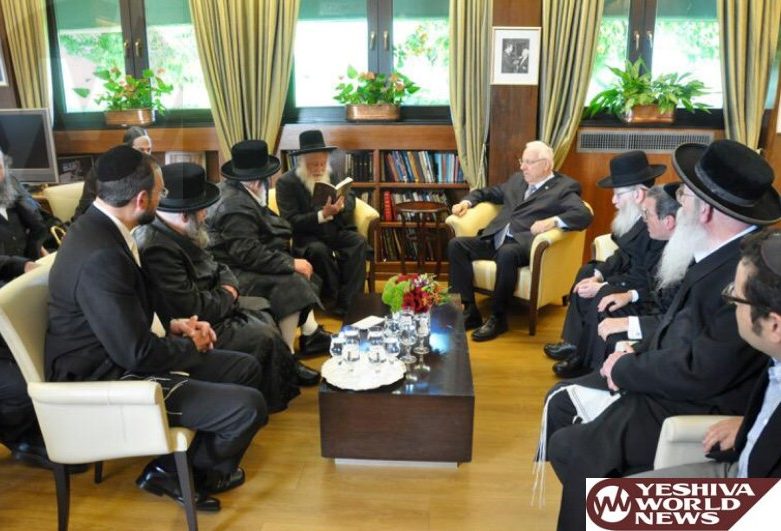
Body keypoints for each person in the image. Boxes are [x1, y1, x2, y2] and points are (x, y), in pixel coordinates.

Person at [542, 139, 781, 531]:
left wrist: (627, 369)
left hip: (698, 404)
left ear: (704, 210)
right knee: (567, 430)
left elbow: (702, 369)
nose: (678, 204)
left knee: (575, 450)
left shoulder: (746, 272)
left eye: (685, 196)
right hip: (674, 382)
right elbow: (677, 326)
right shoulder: (720, 252)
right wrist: (634, 351)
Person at [45, 145, 267, 512]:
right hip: (105, 381)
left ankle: (186, 463)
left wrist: (177, 325)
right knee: (247, 408)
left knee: (245, 366)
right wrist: (191, 346)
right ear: (142, 199)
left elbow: (131, 308)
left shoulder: (105, 226)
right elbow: (134, 353)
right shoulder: (100, 254)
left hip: (120, 356)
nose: (164, 199)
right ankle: (173, 471)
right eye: (161, 193)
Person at [135, 163, 317, 413]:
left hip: (215, 299)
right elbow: (189, 307)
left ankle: (277, 378)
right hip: (197, 322)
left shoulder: (180, 229)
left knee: (265, 309)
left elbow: (218, 266)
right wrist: (228, 293)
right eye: (202, 212)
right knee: (263, 334)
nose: (206, 216)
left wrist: (228, 286)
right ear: (186, 214)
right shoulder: (158, 248)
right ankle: (264, 401)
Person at [632, 228, 781, 479]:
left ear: (774, 326)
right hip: (743, 462)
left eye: (737, 295)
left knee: (607, 511)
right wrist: (756, 426)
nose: (731, 301)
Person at [447, 140, 593, 341]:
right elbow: (489, 192)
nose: (522, 167)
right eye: (522, 161)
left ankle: (498, 318)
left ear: (546, 165)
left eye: (529, 162)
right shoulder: (518, 180)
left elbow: (584, 215)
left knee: (507, 254)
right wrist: (467, 202)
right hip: (495, 238)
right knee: (457, 245)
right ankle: (469, 311)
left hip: (522, 246)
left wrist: (553, 221)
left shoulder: (564, 188)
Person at [206, 140, 332, 357]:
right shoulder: (235, 206)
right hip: (230, 273)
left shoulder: (239, 190)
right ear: (258, 180)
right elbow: (247, 253)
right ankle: (286, 355)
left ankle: (310, 335)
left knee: (299, 271)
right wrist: (290, 263)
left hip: (241, 263)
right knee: (292, 283)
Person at [275, 129, 368, 317]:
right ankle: (331, 298)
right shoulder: (286, 183)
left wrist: (341, 207)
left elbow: (350, 198)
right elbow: (290, 220)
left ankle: (349, 303)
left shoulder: (332, 174)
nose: (318, 168)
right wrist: (321, 215)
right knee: (319, 251)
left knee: (358, 242)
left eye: (322, 163)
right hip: (308, 237)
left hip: (335, 230)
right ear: (302, 163)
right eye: (313, 165)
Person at [73, 126, 152, 220]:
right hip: (97, 219)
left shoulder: (150, 168)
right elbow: (87, 204)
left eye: (149, 150)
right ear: (127, 149)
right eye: (141, 150)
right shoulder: (106, 166)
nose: (147, 155)